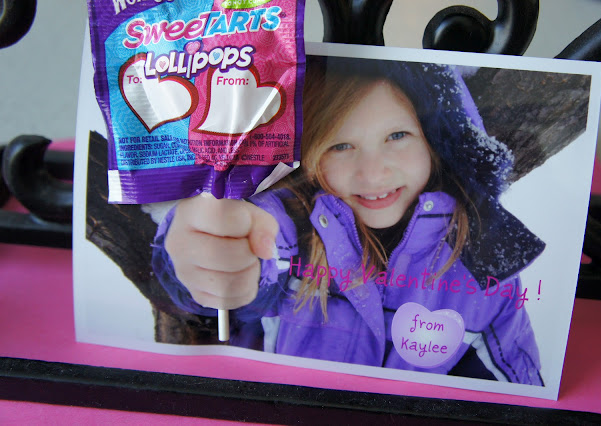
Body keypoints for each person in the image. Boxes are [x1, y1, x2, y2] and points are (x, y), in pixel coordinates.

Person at [152, 55, 545, 385]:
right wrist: (204, 252)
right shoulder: (290, 224)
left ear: (437, 144)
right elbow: (242, 262)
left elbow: (509, 390)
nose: (372, 173)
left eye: (398, 136)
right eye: (341, 145)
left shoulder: (482, 268)